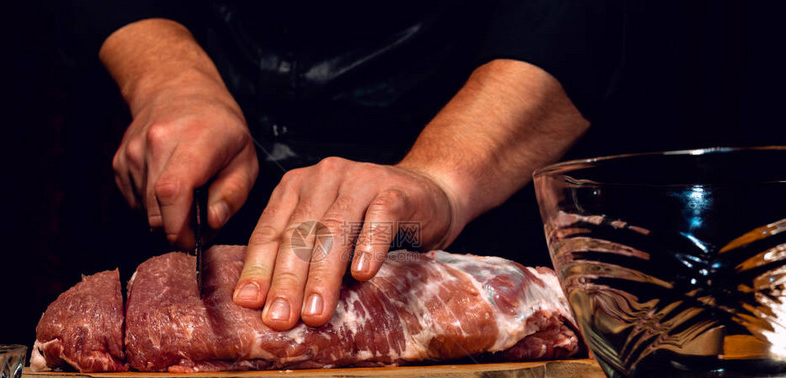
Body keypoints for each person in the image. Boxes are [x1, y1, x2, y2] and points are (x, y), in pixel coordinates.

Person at [90, 2, 624, 331]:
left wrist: (442, 177)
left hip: (468, 193)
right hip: (204, 187)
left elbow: (576, 16)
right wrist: (167, 78)